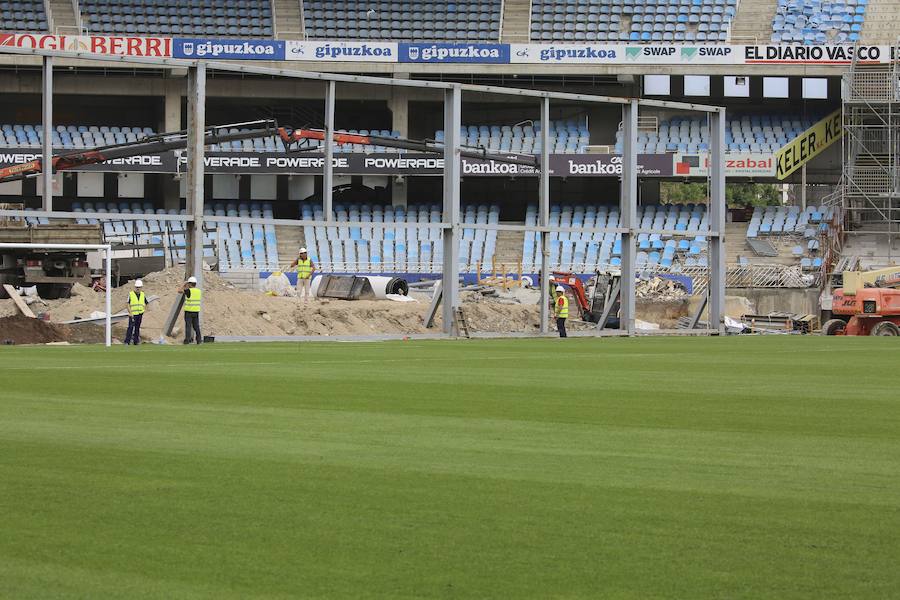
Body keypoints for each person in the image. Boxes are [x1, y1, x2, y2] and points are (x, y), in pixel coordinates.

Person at [181, 276, 203, 345]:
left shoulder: (189, 291)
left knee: (188, 326)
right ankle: (199, 340)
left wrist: (184, 284)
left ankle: (187, 340)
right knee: (196, 326)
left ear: (190, 284)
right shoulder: (199, 291)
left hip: (189, 311)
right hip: (196, 311)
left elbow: (179, 290)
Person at [124, 279, 145, 345]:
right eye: (137, 287)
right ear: (135, 287)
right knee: (130, 327)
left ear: (141, 287)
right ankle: (127, 341)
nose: (138, 288)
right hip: (133, 314)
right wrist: (130, 313)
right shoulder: (131, 294)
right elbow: (127, 304)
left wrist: (143, 310)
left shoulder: (143, 294)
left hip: (140, 314)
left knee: (137, 328)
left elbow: (146, 303)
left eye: (139, 287)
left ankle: (136, 341)